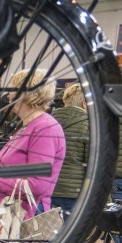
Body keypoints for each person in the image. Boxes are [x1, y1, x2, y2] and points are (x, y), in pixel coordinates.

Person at [0, 70, 65, 219]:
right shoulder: (28, 126)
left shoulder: (45, 128)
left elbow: (38, 185)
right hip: (7, 217)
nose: (8, 96)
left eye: (12, 90)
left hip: (24, 219)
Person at [50, 83, 87, 214]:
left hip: (47, 189)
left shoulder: (48, 122)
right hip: (73, 193)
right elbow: (93, 165)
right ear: (84, 103)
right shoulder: (87, 125)